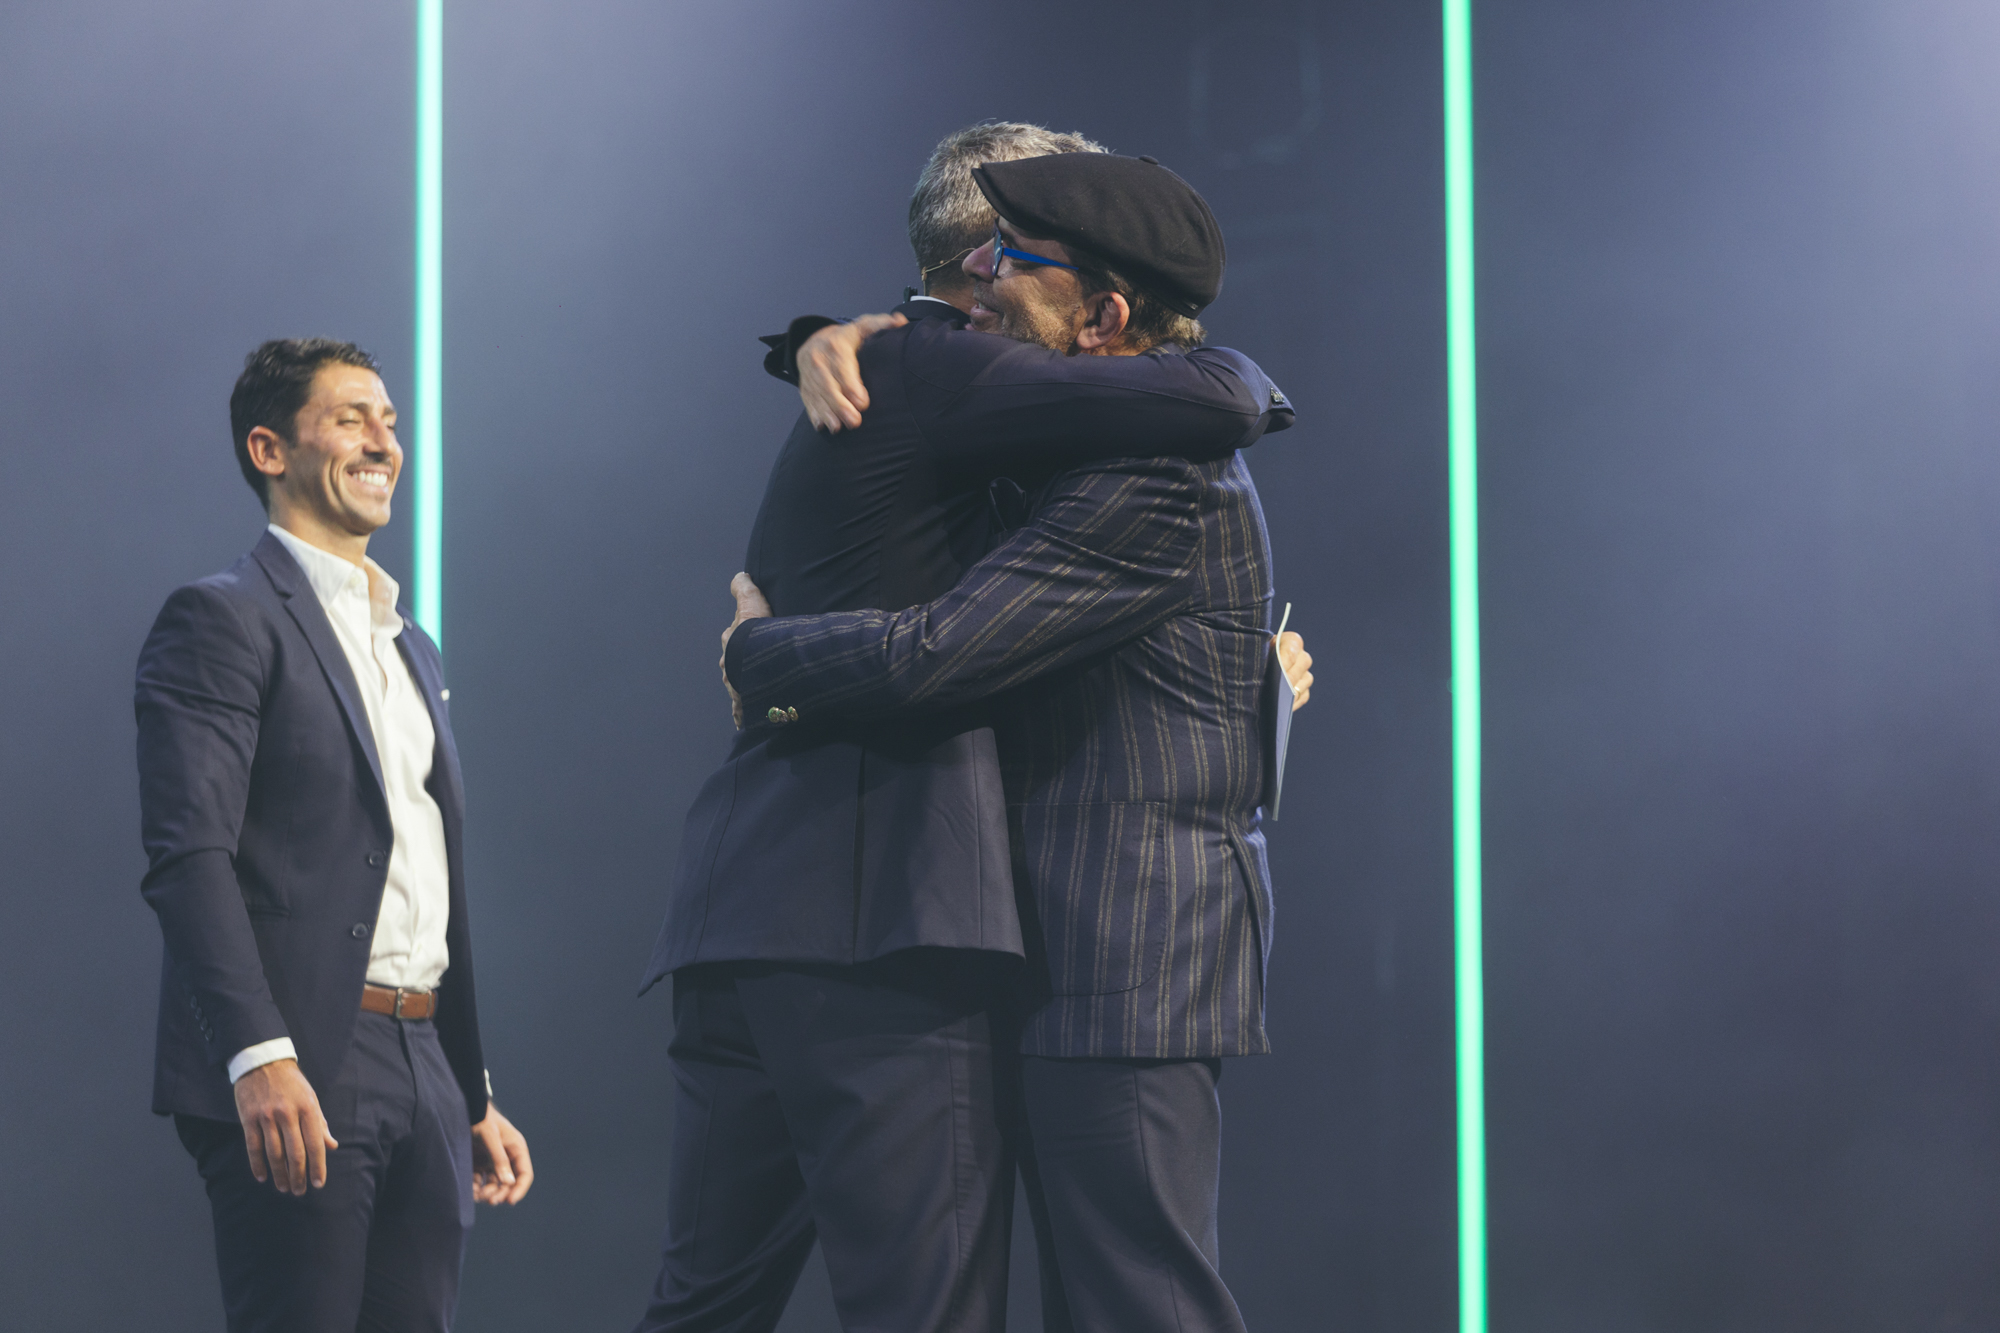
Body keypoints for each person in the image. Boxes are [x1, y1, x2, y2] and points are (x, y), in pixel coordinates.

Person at [632, 124, 1296, 1332]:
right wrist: (824, 337)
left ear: (1101, 319)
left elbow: (934, 653)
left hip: (1117, 958)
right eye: (983, 254)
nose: (984, 278)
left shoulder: (1151, 469)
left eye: (1014, 259)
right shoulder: (1006, 415)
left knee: (1135, 1300)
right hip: (971, 940)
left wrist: (753, 655)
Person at [136, 339, 532, 1333]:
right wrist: (257, 1054)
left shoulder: (412, 645)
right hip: (303, 1054)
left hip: (423, 1058)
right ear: (269, 450)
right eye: (351, 418)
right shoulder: (221, 618)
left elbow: (422, 869)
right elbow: (189, 856)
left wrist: (468, 1086)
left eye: (389, 422)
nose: (383, 442)